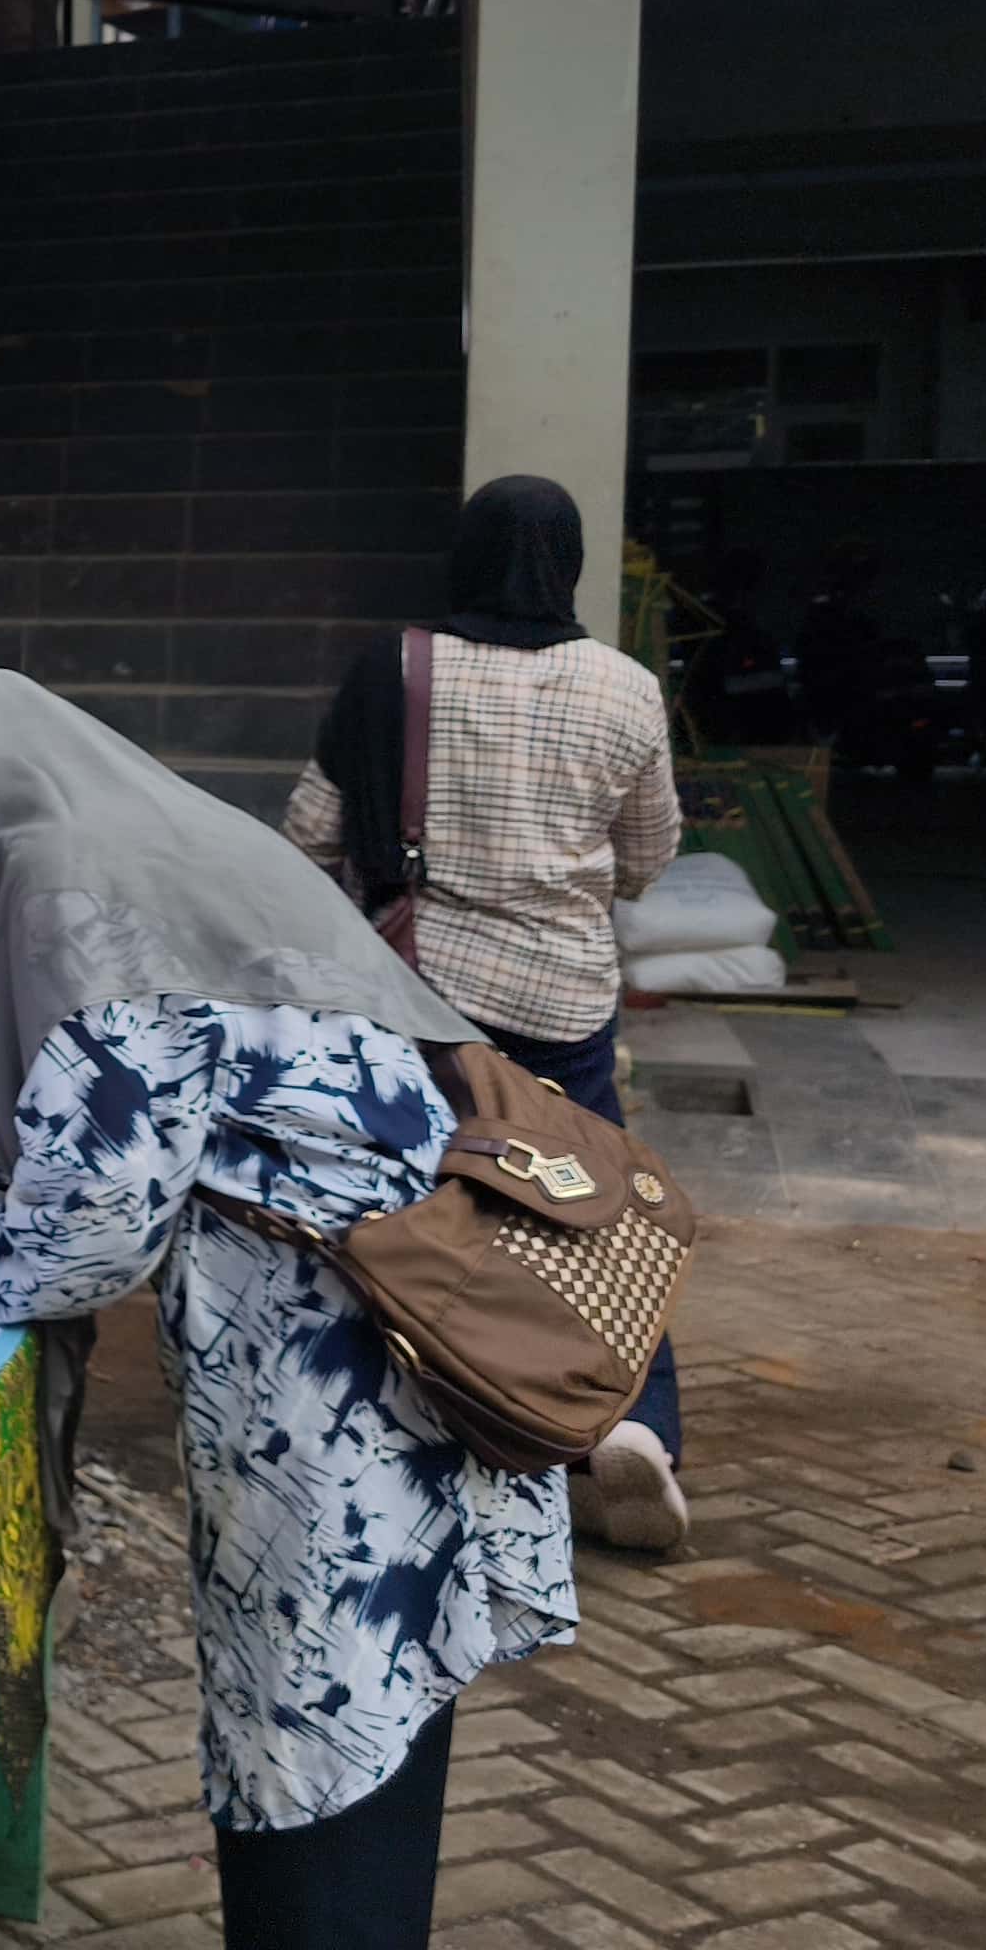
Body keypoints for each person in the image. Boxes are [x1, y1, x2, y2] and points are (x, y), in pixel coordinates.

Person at [0, 668, 572, 1950]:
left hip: (336, 1385)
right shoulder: (159, 841)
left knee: (321, 1732)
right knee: (373, 1709)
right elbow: (217, 1120)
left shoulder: (72, 892)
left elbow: (87, 1243)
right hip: (406, 1339)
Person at [284, 474, 688, 1551]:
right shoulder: (624, 688)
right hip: (562, 997)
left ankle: (414, 1428)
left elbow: (309, 833)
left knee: (411, 1212)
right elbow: (649, 858)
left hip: (419, 999)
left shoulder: (394, 669)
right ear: (572, 564)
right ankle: (631, 1427)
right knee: (592, 1211)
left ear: (462, 556)